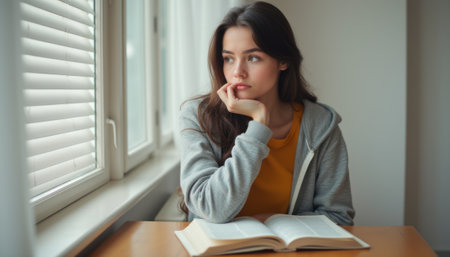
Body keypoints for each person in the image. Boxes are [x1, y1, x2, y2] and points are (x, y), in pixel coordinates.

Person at [178, 1, 354, 225]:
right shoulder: (197, 117)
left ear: (283, 60)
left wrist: (272, 221)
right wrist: (258, 127)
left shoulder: (320, 127)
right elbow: (210, 208)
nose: (237, 72)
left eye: (253, 58)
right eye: (228, 58)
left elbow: (340, 218)